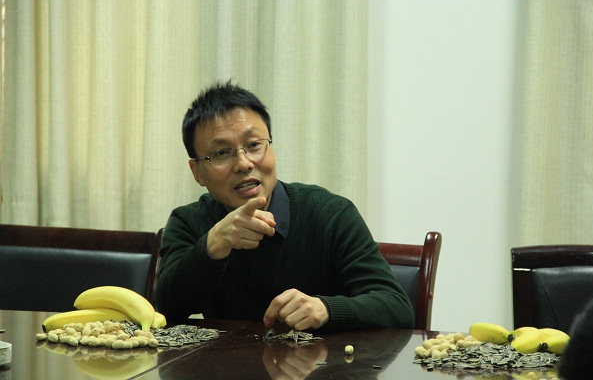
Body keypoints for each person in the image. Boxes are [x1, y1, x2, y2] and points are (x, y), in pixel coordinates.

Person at [155, 80, 414, 332]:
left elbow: (397, 307)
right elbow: (167, 310)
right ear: (197, 172)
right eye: (221, 153)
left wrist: (326, 309)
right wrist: (212, 246)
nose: (244, 163)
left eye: (254, 145)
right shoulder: (188, 222)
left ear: (271, 148)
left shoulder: (330, 213)